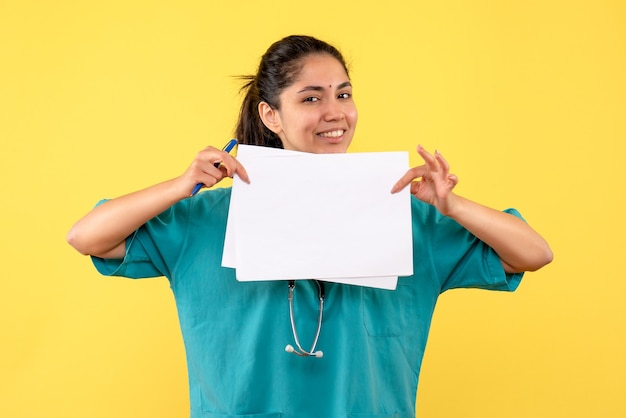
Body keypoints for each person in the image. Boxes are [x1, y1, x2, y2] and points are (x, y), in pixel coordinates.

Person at [67, 35, 553, 418]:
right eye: (311, 98)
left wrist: (453, 206)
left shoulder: (407, 217)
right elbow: (86, 236)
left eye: (343, 94)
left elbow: (533, 253)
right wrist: (180, 185)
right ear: (270, 114)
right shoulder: (207, 220)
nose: (334, 112)